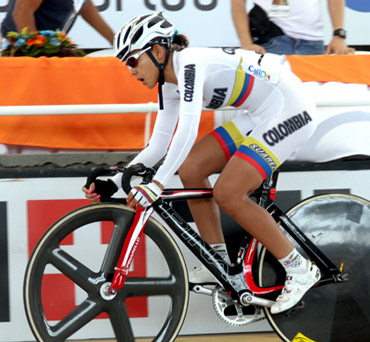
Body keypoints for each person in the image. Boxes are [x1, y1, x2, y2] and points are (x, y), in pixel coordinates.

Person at [83, 11, 321, 314]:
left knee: (229, 193)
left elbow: (188, 127)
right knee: (191, 167)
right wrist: (118, 179)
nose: (130, 71)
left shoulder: (190, 64)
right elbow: (159, 143)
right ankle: (217, 259)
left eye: (132, 61)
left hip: (290, 109)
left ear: (157, 51)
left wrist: (156, 184)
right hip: (260, 112)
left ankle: (299, 268)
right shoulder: (168, 84)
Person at [231, 0, 355, 55]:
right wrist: (246, 43)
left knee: (313, 102)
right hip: (272, 42)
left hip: (313, 43)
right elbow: (238, 2)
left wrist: (339, 35)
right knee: (272, 101)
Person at [1, 0, 114, 46]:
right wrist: (37, 52)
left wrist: (116, 42)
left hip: (44, 54)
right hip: (12, 51)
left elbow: (86, 7)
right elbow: (21, 12)